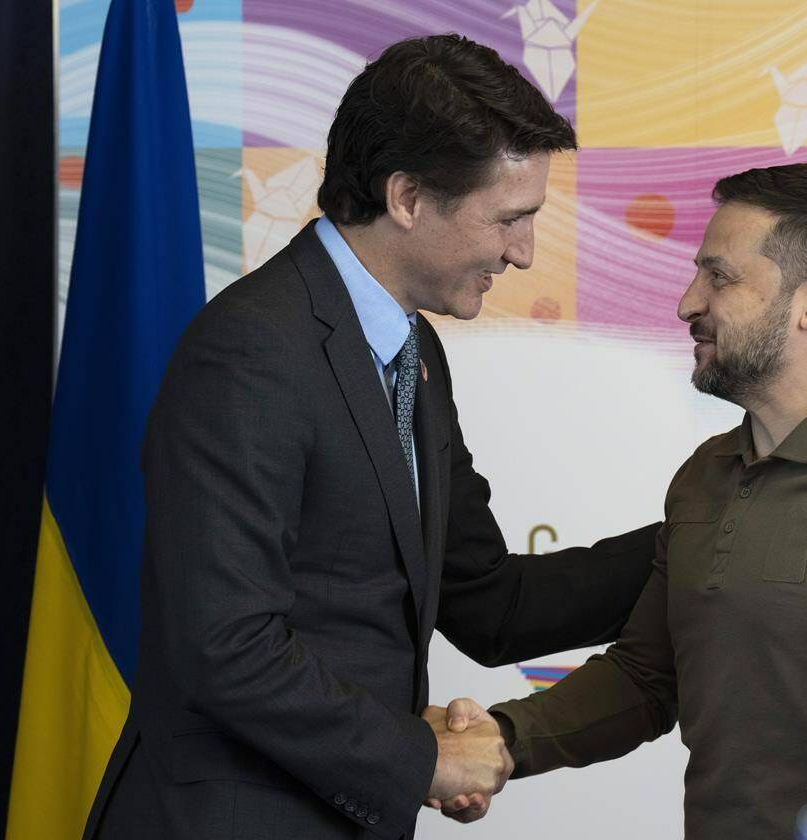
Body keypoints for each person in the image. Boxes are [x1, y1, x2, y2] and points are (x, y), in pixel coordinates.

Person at [83, 34, 658, 840]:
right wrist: (418, 759)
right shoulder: (251, 349)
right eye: (510, 219)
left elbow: (489, 603)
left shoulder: (412, 352)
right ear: (408, 197)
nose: (523, 254)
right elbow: (224, 643)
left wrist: (706, 538)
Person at [439, 163, 807, 838]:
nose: (688, 302)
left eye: (720, 276)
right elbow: (645, 676)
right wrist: (503, 739)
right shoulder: (704, 474)